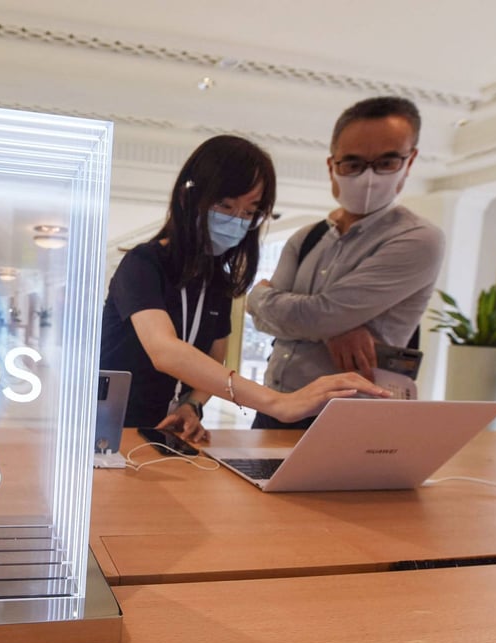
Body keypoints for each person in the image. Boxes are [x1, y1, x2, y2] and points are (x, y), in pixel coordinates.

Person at [100, 135, 384, 443]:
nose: (236, 220)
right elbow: (164, 350)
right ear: (188, 198)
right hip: (112, 426)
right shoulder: (144, 264)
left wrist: (192, 404)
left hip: (167, 433)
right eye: (225, 205)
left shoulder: (218, 282)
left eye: (249, 212)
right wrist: (277, 402)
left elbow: (214, 356)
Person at [246, 96, 445, 429]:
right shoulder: (306, 237)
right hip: (278, 405)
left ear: (409, 162)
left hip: (352, 419)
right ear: (332, 166)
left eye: (386, 162)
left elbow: (318, 315)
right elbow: (279, 320)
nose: (368, 177)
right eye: (352, 163)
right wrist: (330, 328)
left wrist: (258, 297)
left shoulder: (418, 239)